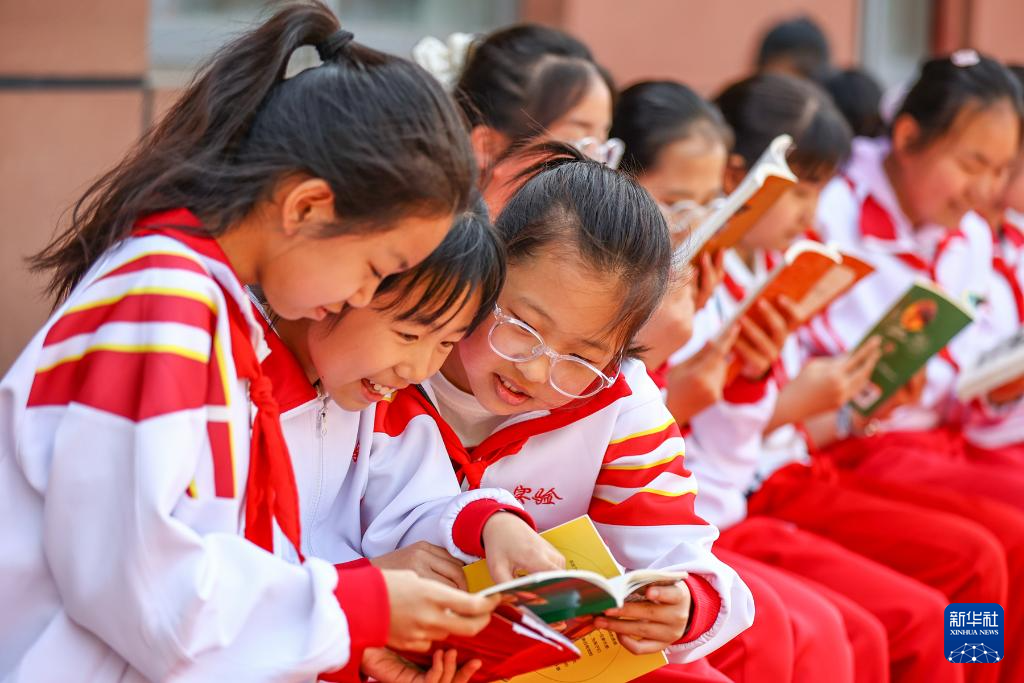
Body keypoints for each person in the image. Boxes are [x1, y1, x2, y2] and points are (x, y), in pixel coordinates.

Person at [0, 4, 499, 681]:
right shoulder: (163, 301)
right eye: (376, 267)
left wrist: (345, 633)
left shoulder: (203, 304)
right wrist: (358, 608)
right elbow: (145, 587)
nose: (361, 296)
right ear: (306, 207)